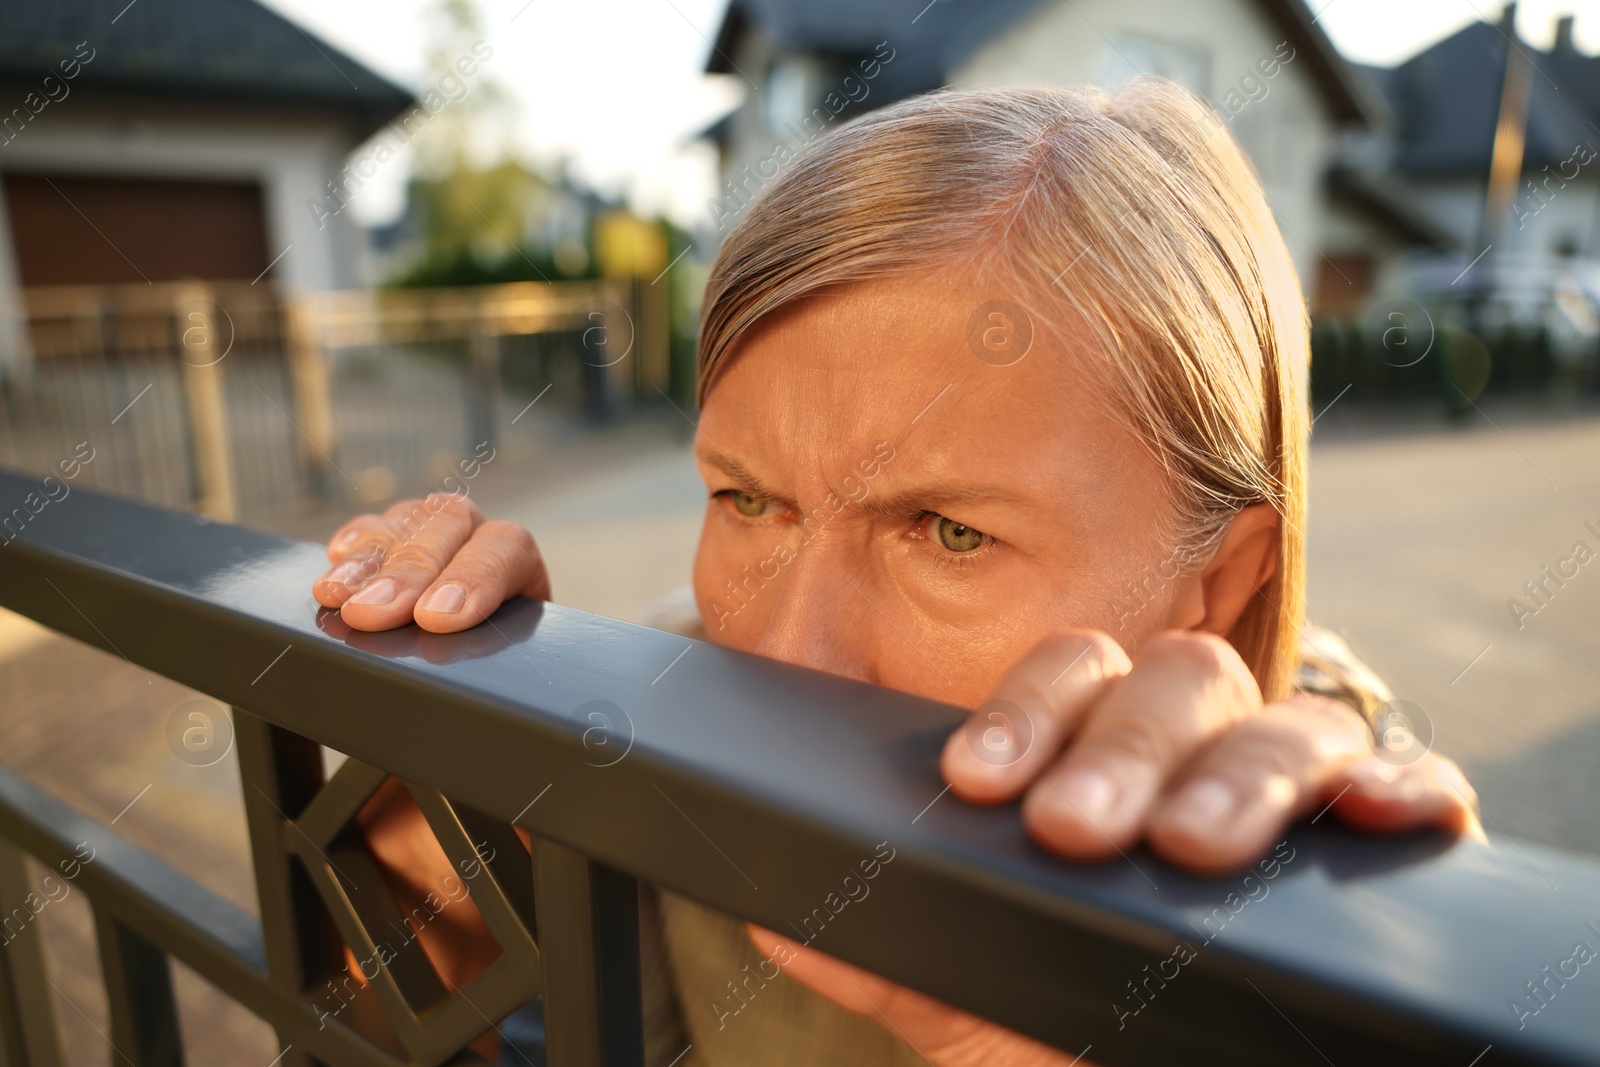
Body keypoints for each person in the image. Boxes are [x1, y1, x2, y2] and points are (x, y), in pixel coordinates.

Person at [311, 81, 1482, 1066]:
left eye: (949, 531)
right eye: (747, 498)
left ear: (1219, 582)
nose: (783, 652)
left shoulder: (1328, 846)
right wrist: (443, 892)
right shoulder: (659, 703)